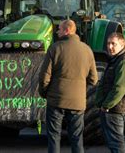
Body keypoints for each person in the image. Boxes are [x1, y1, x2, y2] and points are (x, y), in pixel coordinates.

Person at [39, 19, 98, 153]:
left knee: (54, 137)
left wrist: (44, 93)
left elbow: (44, 77)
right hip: (77, 102)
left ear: (66, 30)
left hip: (56, 100)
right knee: (77, 138)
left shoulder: (55, 48)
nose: (57, 31)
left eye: (59, 29)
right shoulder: (87, 50)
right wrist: (80, 90)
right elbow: (94, 79)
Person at [95, 32, 125, 153]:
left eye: (113, 44)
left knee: (116, 143)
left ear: (123, 44)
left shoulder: (124, 61)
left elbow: (120, 88)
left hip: (116, 109)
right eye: (108, 44)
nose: (110, 47)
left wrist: (106, 105)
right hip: (115, 108)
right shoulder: (116, 59)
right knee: (115, 142)